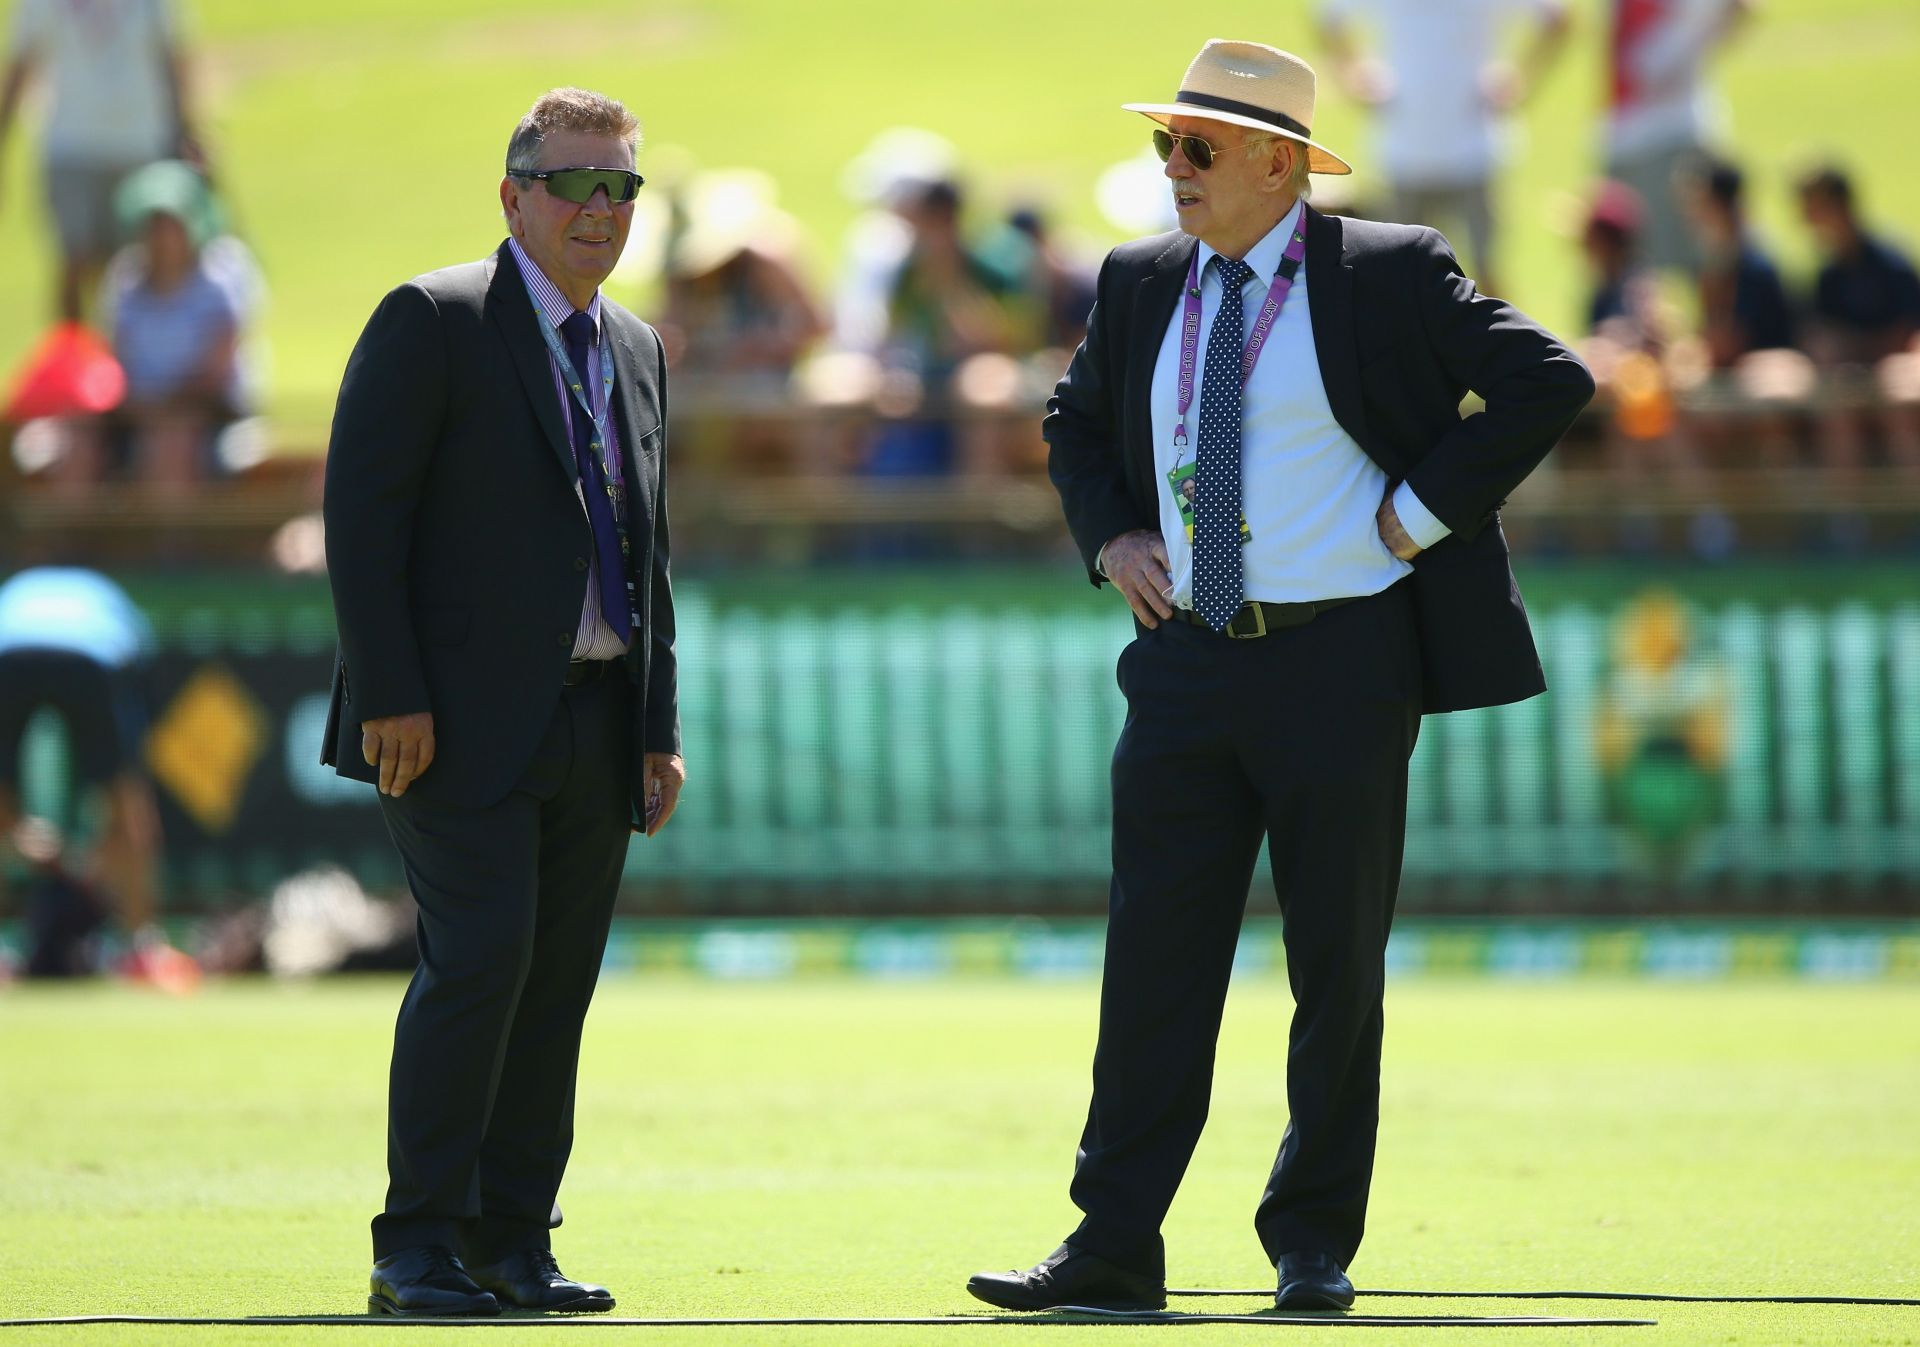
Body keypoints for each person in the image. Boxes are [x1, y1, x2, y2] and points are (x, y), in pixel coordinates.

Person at [967, 40, 1592, 1314]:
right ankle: (1111, 1249)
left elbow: (1550, 379)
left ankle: (1312, 1246)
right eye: (1166, 146)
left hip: (1343, 663)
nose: (1174, 170)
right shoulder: (1140, 278)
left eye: (1197, 147)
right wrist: (1111, 538)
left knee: (1335, 966)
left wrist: (1421, 516)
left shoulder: (1389, 268)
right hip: (1186, 663)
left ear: (1279, 160)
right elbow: (1073, 426)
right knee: (1152, 963)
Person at [320, 86, 685, 1318]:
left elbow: (651, 553)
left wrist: (657, 725)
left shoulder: (636, 346)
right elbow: (362, 525)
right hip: (449, 722)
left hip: (594, 717)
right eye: (573, 181)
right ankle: (415, 1244)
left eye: (619, 185)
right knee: (480, 961)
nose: (598, 208)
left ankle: (512, 1243)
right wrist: (392, 693)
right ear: (513, 192)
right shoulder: (434, 317)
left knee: (555, 979)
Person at [1316, 0, 1570, 299]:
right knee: (1397, 272)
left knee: (1485, 272)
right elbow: (1328, 19)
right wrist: (1355, 80)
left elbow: (1557, 19)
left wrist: (1520, 82)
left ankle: (1499, 345)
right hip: (1405, 155)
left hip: (1472, 154)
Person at [0, 0, 203, 321]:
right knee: (74, 261)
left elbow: (171, 59)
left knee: (135, 267)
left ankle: (125, 362)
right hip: (70, 145)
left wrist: (189, 131)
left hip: (141, 145)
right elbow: (22, 64)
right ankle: (74, 361)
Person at [0, 566, 164, 958]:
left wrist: (17, 832)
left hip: (8, 655)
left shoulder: (17, 591)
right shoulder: (112, 601)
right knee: (126, 800)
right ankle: (140, 948)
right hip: (91, 659)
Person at [1601, 0, 1749, 274]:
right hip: (1623, 130)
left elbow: (1739, 8)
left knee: (1687, 265)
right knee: (1629, 268)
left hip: (1670, 134)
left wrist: (1679, 61)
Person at [1682, 157, 1793, 369]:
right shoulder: (1711, 260)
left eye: (1701, 204)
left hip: (1768, 365)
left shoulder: (1755, 263)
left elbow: (1731, 342)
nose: (1692, 215)